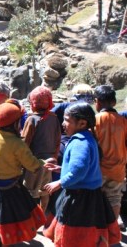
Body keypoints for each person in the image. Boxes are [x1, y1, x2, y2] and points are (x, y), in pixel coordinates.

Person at [43, 102, 121, 246]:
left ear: (82, 123)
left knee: (75, 236)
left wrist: (59, 182)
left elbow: (79, 170)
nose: (63, 123)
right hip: (89, 195)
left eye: (67, 120)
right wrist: (61, 169)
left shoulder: (80, 143)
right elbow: (85, 169)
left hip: (80, 200)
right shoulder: (88, 138)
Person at [0, 99, 52, 247]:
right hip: (11, 188)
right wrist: (43, 163)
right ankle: (6, 240)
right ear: (15, 124)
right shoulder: (18, 144)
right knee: (11, 216)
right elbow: (32, 165)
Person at [22, 86, 61, 212]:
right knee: (45, 191)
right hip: (50, 163)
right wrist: (54, 158)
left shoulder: (31, 119)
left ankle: (31, 219)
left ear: (33, 103)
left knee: (30, 192)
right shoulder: (54, 118)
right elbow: (57, 140)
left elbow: (24, 143)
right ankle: (42, 215)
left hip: (34, 163)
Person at [94, 85, 127, 225]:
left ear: (97, 102)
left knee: (95, 198)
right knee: (114, 198)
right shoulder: (123, 121)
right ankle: (112, 229)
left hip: (99, 169)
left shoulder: (95, 120)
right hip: (119, 168)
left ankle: (97, 229)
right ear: (114, 102)